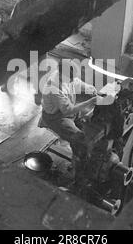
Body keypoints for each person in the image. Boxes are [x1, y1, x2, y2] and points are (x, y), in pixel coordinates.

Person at [40, 60, 98, 188]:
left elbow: (77, 82)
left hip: (69, 112)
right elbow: (68, 109)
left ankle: (78, 158)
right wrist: (91, 101)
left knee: (88, 133)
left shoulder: (68, 76)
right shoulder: (53, 87)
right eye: (70, 78)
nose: (73, 80)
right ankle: (78, 176)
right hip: (55, 117)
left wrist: (89, 88)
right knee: (80, 139)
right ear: (61, 74)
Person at [1, 0, 54, 94]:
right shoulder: (24, 2)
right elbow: (16, 23)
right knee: (15, 63)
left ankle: (39, 93)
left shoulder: (50, 3)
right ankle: (7, 85)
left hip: (38, 37)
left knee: (42, 66)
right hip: (22, 36)